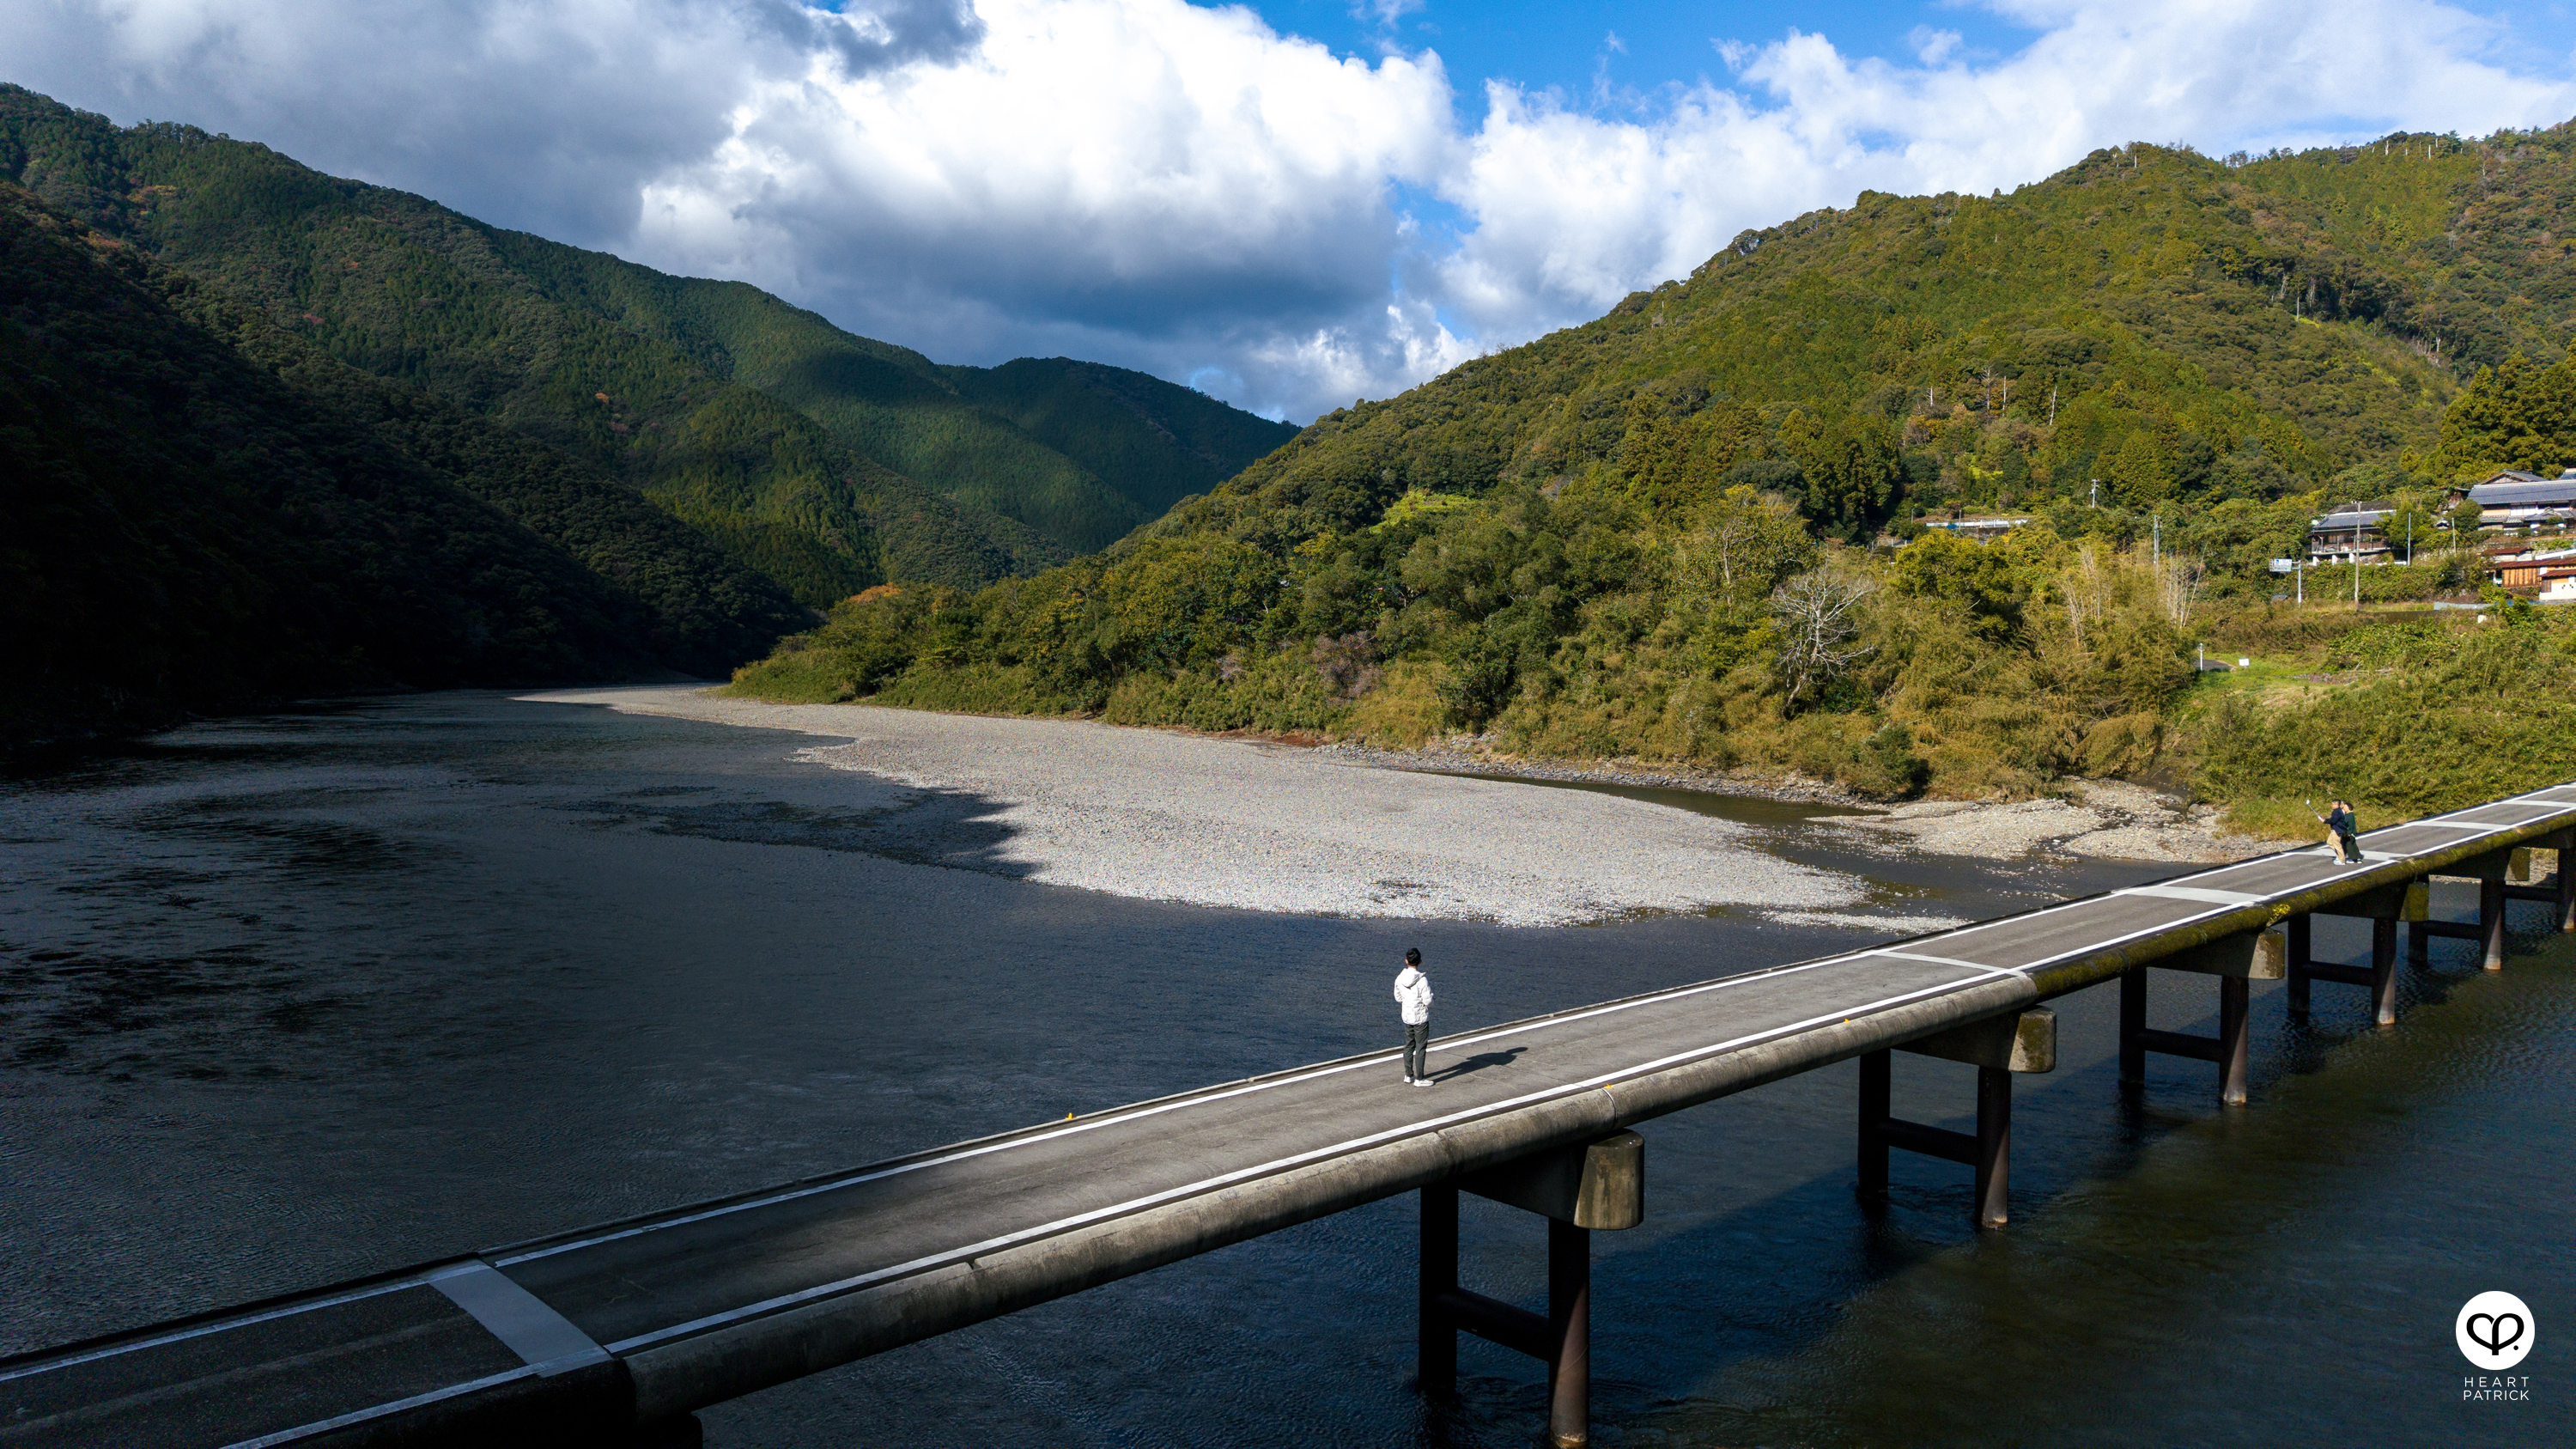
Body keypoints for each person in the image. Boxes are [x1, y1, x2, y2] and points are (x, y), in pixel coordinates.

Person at [1394, 948, 1435, 1086]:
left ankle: (1408, 1075)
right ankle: (1419, 1079)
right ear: (1420, 962)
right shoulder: (1422, 980)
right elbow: (1428, 1001)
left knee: (1409, 1045)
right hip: (1420, 1018)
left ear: (1406, 961)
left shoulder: (1400, 978)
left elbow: (1398, 997)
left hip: (1407, 1016)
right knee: (1420, 1048)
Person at [2319, 799, 2360, 864]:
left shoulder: (2337, 812)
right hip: (2335, 829)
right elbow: (2333, 819)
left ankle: (2342, 860)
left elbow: (2333, 821)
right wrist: (2325, 819)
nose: (2332, 805)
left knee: (2337, 844)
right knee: (2330, 842)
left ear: (2337, 805)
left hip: (2338, 830)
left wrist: (2325, 821)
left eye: (2334, 804)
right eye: (2332, 804)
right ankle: (2340, 855)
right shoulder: (2337, 811)